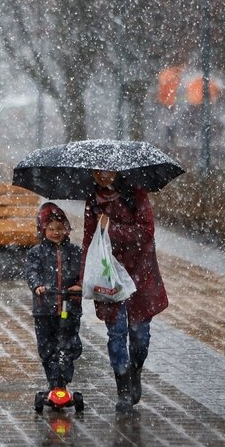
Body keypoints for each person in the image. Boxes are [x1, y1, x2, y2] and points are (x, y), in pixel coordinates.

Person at [82, 170, 169, 413]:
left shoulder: (136, 195)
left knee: (140, 337)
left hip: (140, 275)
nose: (101, 175)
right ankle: (123, 390)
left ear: (117, 170)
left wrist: (112, 229)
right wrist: (82, 279)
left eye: (106, 169)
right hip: (109, 276)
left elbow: (146, 232)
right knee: (117, 334)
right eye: (95, 170)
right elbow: (89, 241)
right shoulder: (93, 201)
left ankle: (135, 370)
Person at [25, 202, 83, 393]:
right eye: (51, 229)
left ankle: (65, 372)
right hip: (45, 308)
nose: (56, 232)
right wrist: (38, 286)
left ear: (66, 229)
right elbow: (31, 272)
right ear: (43, 230)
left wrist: (79, 285)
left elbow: (83, 272)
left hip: (69, 307)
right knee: (46, 345)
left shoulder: (75, 252)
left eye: (60, 228)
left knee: (68, 342)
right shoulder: (36, 253)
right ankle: (53, 380)